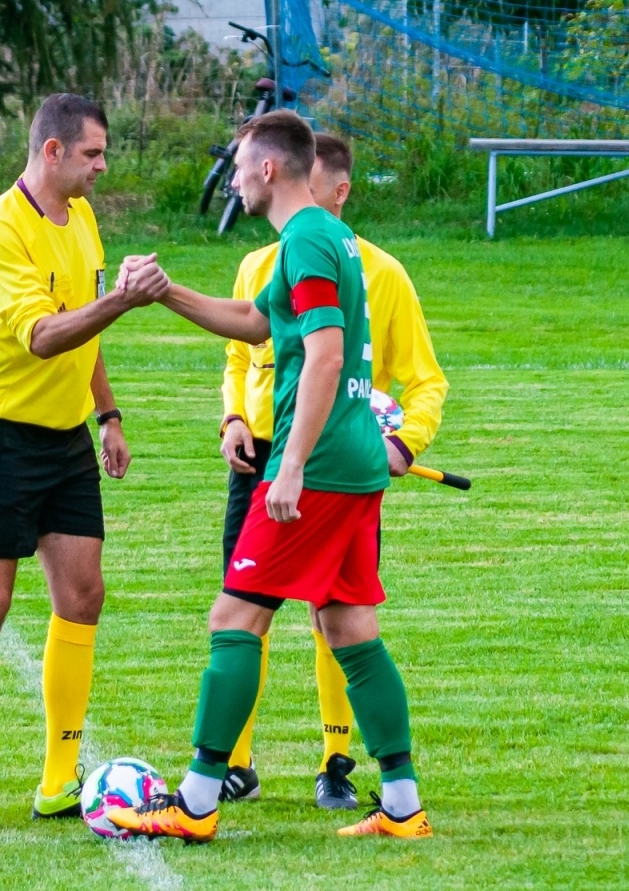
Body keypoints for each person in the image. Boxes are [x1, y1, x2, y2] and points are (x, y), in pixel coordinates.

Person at [105, 110, 431, 843]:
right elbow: (257, 321)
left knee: (234, 618)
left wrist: (286, 468)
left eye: (240, 166)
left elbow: (322, 354)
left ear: (270, 169)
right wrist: (166, 292)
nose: (235, 180)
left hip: (316, 469)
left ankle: (193, 803)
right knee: (348, 627)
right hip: (351, 464)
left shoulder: (310, 239)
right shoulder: (321, 237)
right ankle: (403, 805)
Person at [0, 93, 169, 834]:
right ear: (53, 151)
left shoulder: (86, 218)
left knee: (83, 595)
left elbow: (83, 325)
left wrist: (108, 414)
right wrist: (126, 303)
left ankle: (60, 780)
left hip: (66, 436)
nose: (103, 166)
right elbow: (43, 336)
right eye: (94, 153)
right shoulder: (0, 231)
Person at [216, 132, 447, 810]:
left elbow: (420, 378)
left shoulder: (370, 266)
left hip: (318, 465)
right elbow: (243, 348)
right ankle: (234, 764)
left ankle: (331, 760)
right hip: (262, 455)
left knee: (308, 615)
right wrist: (232, 418)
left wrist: (404, 443)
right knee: (263, 610)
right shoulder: (263, 260)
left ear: (333, 190)